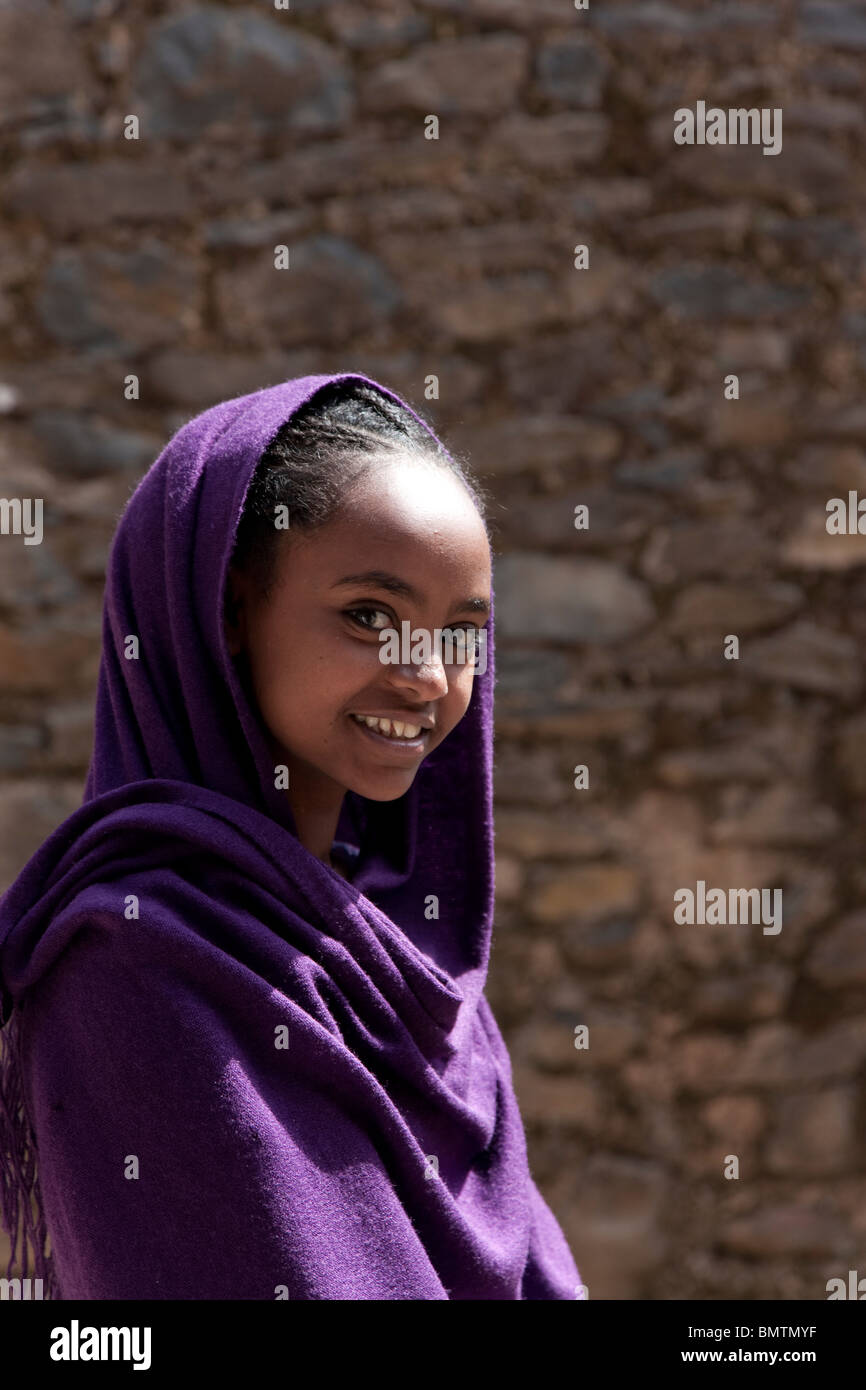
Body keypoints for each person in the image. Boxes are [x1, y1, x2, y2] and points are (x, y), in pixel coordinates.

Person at [0, 372, 582, 1299]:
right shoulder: (136, 963)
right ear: (229, 613)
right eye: (370, 616)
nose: (428, 677)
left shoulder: (408, 968)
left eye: (462, 632)